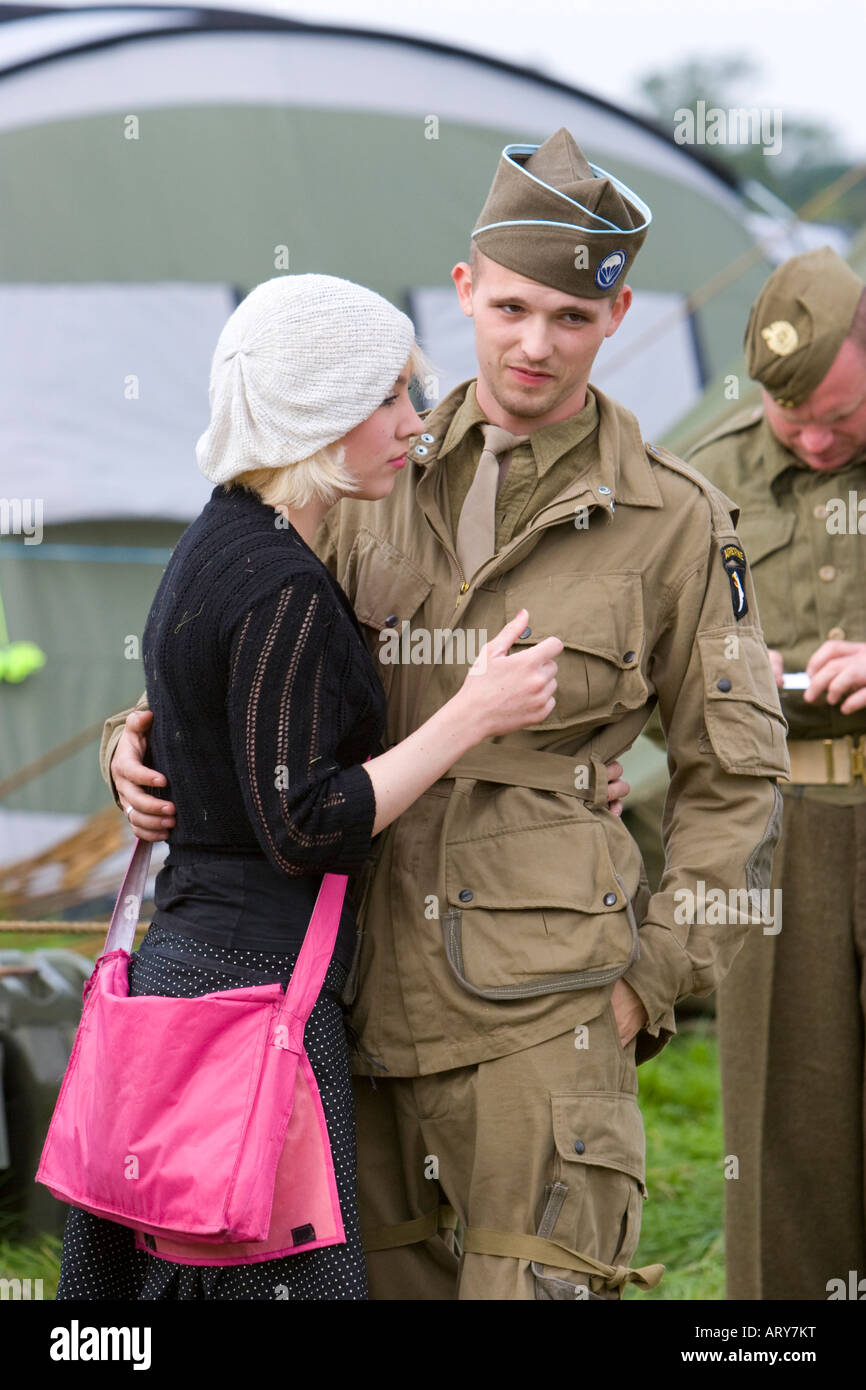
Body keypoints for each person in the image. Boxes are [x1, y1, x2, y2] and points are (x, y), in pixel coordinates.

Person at [102, 129, 790, 1301]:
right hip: (341, 987)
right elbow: (252, 641)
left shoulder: (676, 520)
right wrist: (145, 736)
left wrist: (649, 980)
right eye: (513, 306)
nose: (535, 343)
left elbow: (735, 777)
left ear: (614, 320)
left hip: (544, 1003)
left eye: (572, 318)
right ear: (464, 289)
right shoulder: (361, 465)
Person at [57, 272, 570, 1302]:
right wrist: (471, 711)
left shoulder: (215, 539)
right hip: (252, 994)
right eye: (388, 398)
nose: (413, 423)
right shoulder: (282, 580)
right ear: (317, 408)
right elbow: (303, 823)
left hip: (190, 970)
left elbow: (210, 748)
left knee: (159, 1289)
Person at [687, 246, 866, 1301]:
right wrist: (712, 671)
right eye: (783, 413)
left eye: (836, 416)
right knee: (781, 1130)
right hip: (779, 820)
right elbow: (631, 644)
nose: (806, 435)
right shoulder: (707, 475)